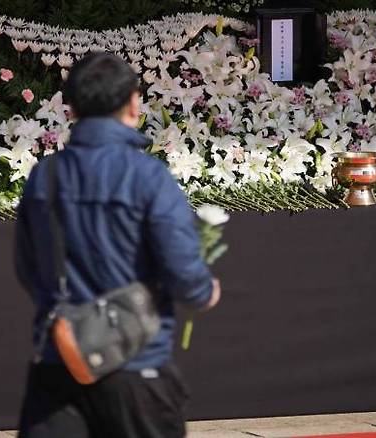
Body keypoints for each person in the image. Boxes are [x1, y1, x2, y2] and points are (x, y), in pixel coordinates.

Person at [15, 52, 221, 438]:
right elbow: (180, 268)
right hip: (135, 366)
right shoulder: (147, 176)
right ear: (133, 102)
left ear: (71, 107)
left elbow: (28, 267)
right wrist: (203, 292)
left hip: (58, 362)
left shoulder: (47, 175)